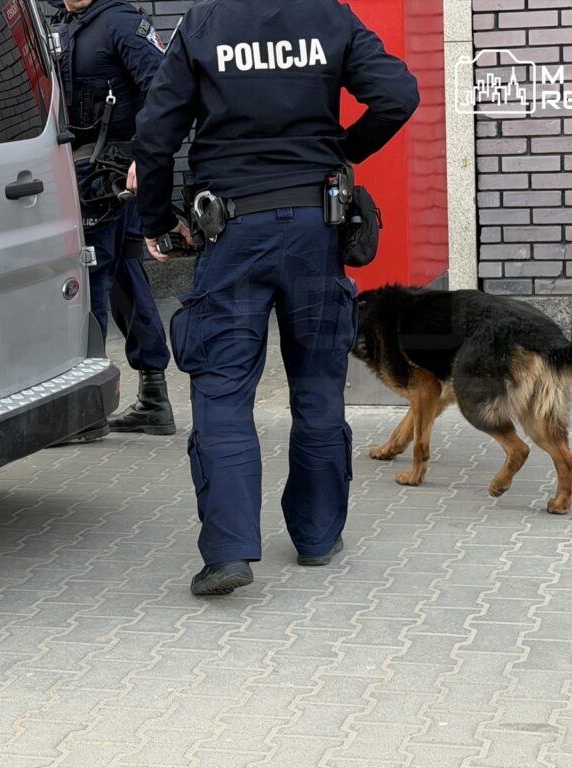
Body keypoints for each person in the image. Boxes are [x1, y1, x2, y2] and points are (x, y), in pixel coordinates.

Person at [133, 0, 419, 595]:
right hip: (316, 231)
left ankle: (230, 553)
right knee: (316, 386)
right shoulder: (328, 14)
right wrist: (345, 150)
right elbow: (398, 94)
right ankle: (316, 537)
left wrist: (157, 221)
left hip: (234, 233)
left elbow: (156, 133)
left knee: (222, 389)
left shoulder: (205, 22)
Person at [47, 0, 176, 443]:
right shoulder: (60, 23)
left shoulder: (121, 21)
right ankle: (155, 398)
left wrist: (145, 151)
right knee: (124, 273)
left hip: (111, 171)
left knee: (93, 278)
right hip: (87, 168)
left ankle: (87, 411)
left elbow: (163, 87)